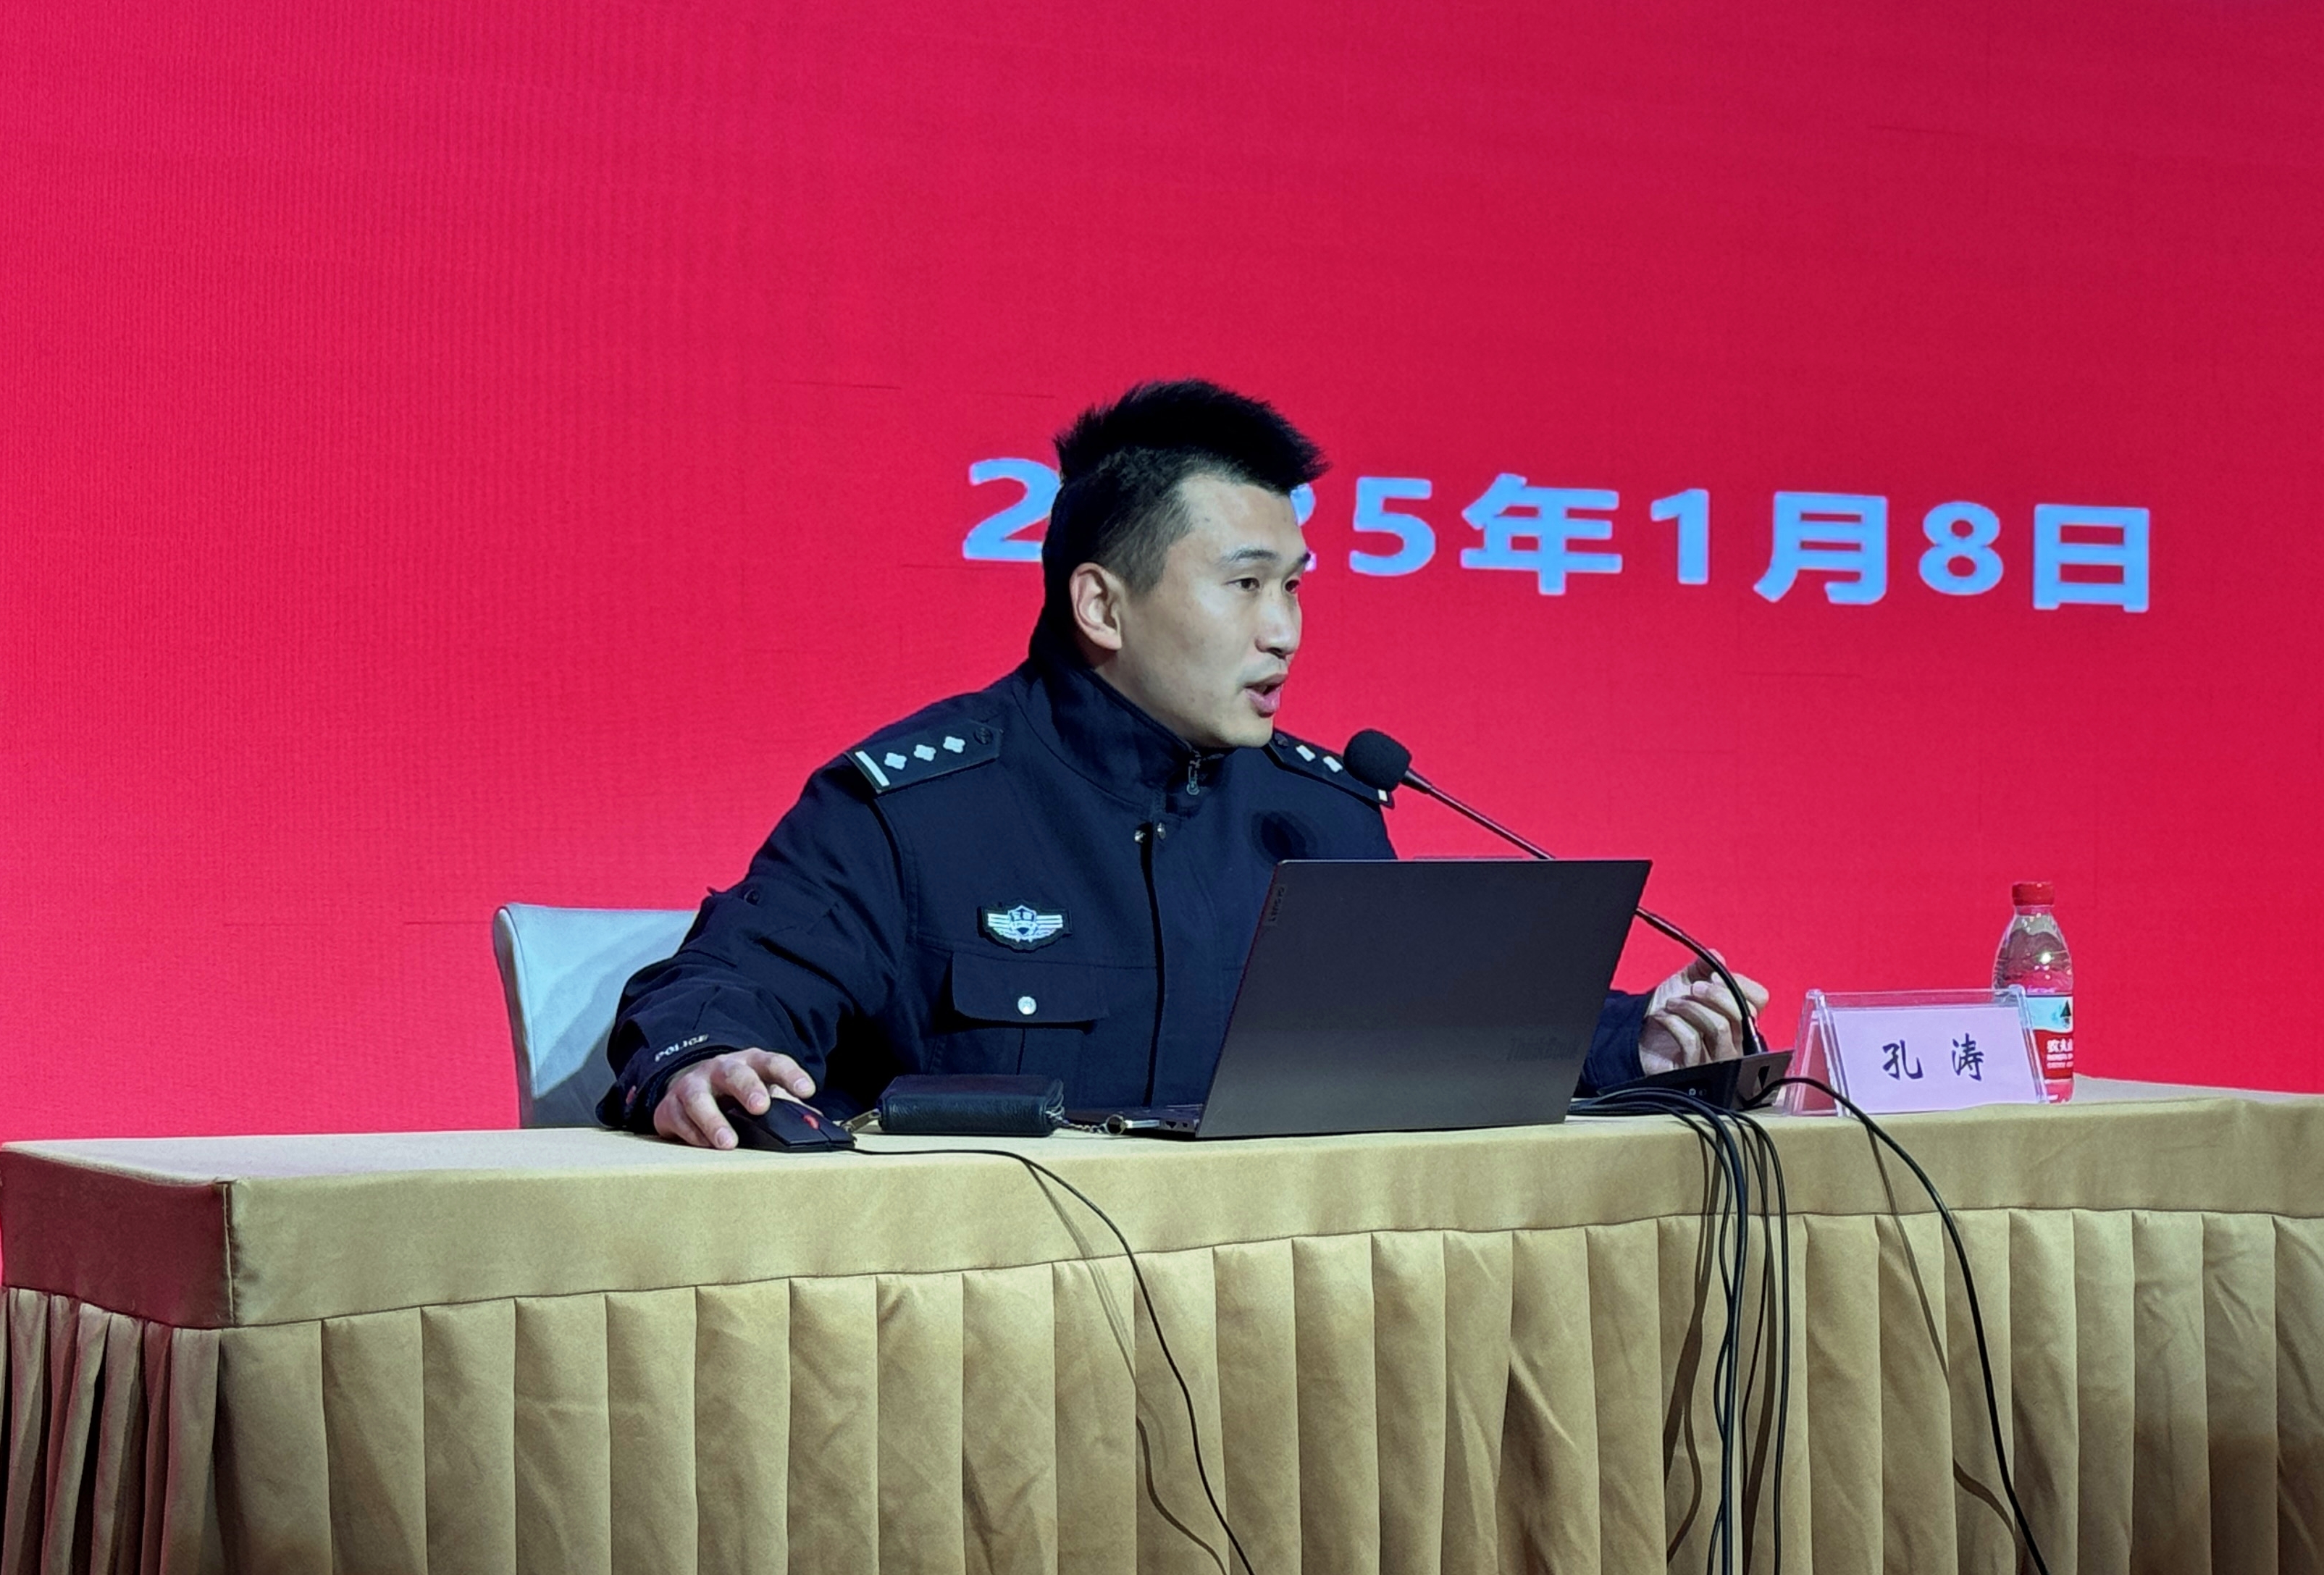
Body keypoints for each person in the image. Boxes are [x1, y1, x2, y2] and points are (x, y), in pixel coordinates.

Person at [604, 379, 1765, 1146]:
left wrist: (1637, 1041)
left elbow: (1428, 1040)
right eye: (1246, 585)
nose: (1286, 631)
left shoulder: (1319, 814)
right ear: (1102, 605)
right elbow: (728, 987)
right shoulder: (913, 811)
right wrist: (709, 1057)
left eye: (1295, 587)